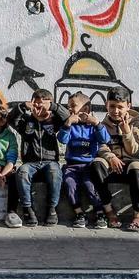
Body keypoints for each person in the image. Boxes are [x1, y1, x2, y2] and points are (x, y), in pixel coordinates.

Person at [8, 89, 69, 226]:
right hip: (30, 162)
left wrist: (52, 107)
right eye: (35, 105)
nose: (38, 109)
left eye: (41, 105)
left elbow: (67, 116)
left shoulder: (54, 121)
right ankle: (27, 208)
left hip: (50, 161)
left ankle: (52, 209)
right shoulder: (26, 121)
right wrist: (23, 106)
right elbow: (11, 119)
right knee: (22, 172)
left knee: (55, 173)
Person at [90, 89, 139, 231]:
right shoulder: (102, 125)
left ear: (128, 106)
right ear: (106, 105)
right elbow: (101, 146)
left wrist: (126, 131)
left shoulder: (135, 123)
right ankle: (109, 211)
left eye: (120, 107)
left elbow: (134, 150)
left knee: (137, 167)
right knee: (96, 164)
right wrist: (111, 157)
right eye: (112, 106)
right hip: (112, 163)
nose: (116, 111)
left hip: (131, 160)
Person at [57, 92, 110, 229]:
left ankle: (100, 213)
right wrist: (68, 124)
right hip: (71, 165)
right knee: (69, 184)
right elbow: (62, 139)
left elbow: (105, 139)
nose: (70, 109)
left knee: (90, 186)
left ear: (86, 109)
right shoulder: (70, 125)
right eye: (68, 106)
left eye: (73, 106)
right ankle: (79, 213)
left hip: (88, 165)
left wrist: (97, 124)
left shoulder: (93, 126)